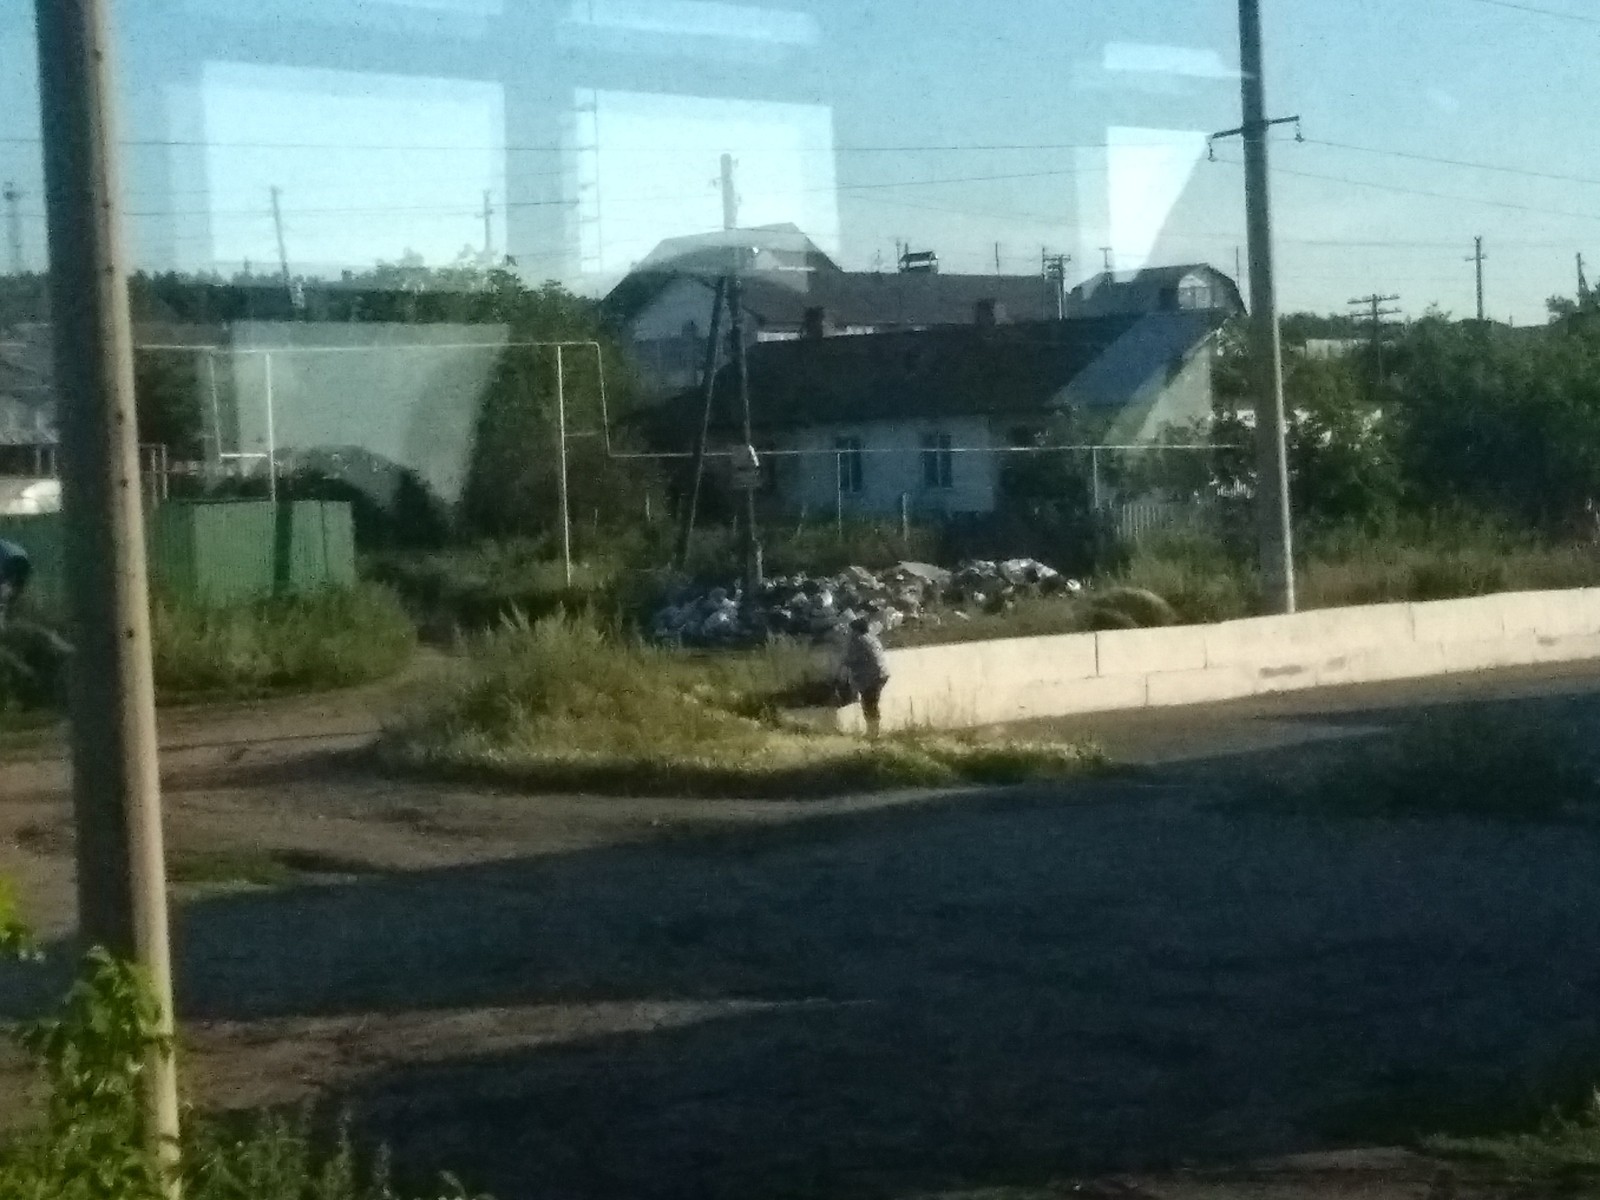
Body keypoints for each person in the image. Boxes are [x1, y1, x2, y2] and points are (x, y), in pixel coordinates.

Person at [842, 615, 890, 738]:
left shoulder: (858, 640)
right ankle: (874, 731)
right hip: (881, 673)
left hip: (871, 676)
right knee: (872, 702)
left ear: (856, 631)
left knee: (868, 703)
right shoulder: (871, 638)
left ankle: (873, 733)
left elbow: (850, 659)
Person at [0, 539, 30, 629]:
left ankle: (4, 623)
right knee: (11, 594)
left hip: (13, 560)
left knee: (5, 595)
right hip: (21, 558)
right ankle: (6, 621)